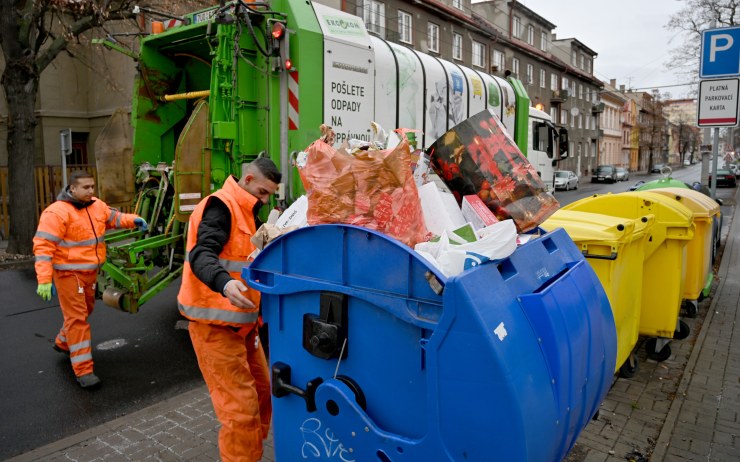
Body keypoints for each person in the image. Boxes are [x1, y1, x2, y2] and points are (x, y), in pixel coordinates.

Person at [177, 158, 281, 462]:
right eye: (262, 192)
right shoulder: (220, 206)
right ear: (247, 180)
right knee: (241, 414)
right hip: (215, 328)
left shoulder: (248, 210)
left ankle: (250, 453)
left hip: (244, 328)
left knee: (263, 395)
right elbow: (201, 254)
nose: (265, 199)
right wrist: (224, 284)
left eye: (269, 195)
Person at [33, 170, 147, 388]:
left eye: (92, 187)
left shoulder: (97, 205)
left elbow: (114, 218)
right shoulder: (56, 213)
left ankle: (62, 342)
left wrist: (134, 220)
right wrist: (45, 279)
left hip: (89, 273)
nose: (90, 191)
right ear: (72, 189)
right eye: (85, 187)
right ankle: (84, 371)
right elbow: (43, 247)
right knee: (78, 320)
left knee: (85, 310)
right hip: (69, 274)